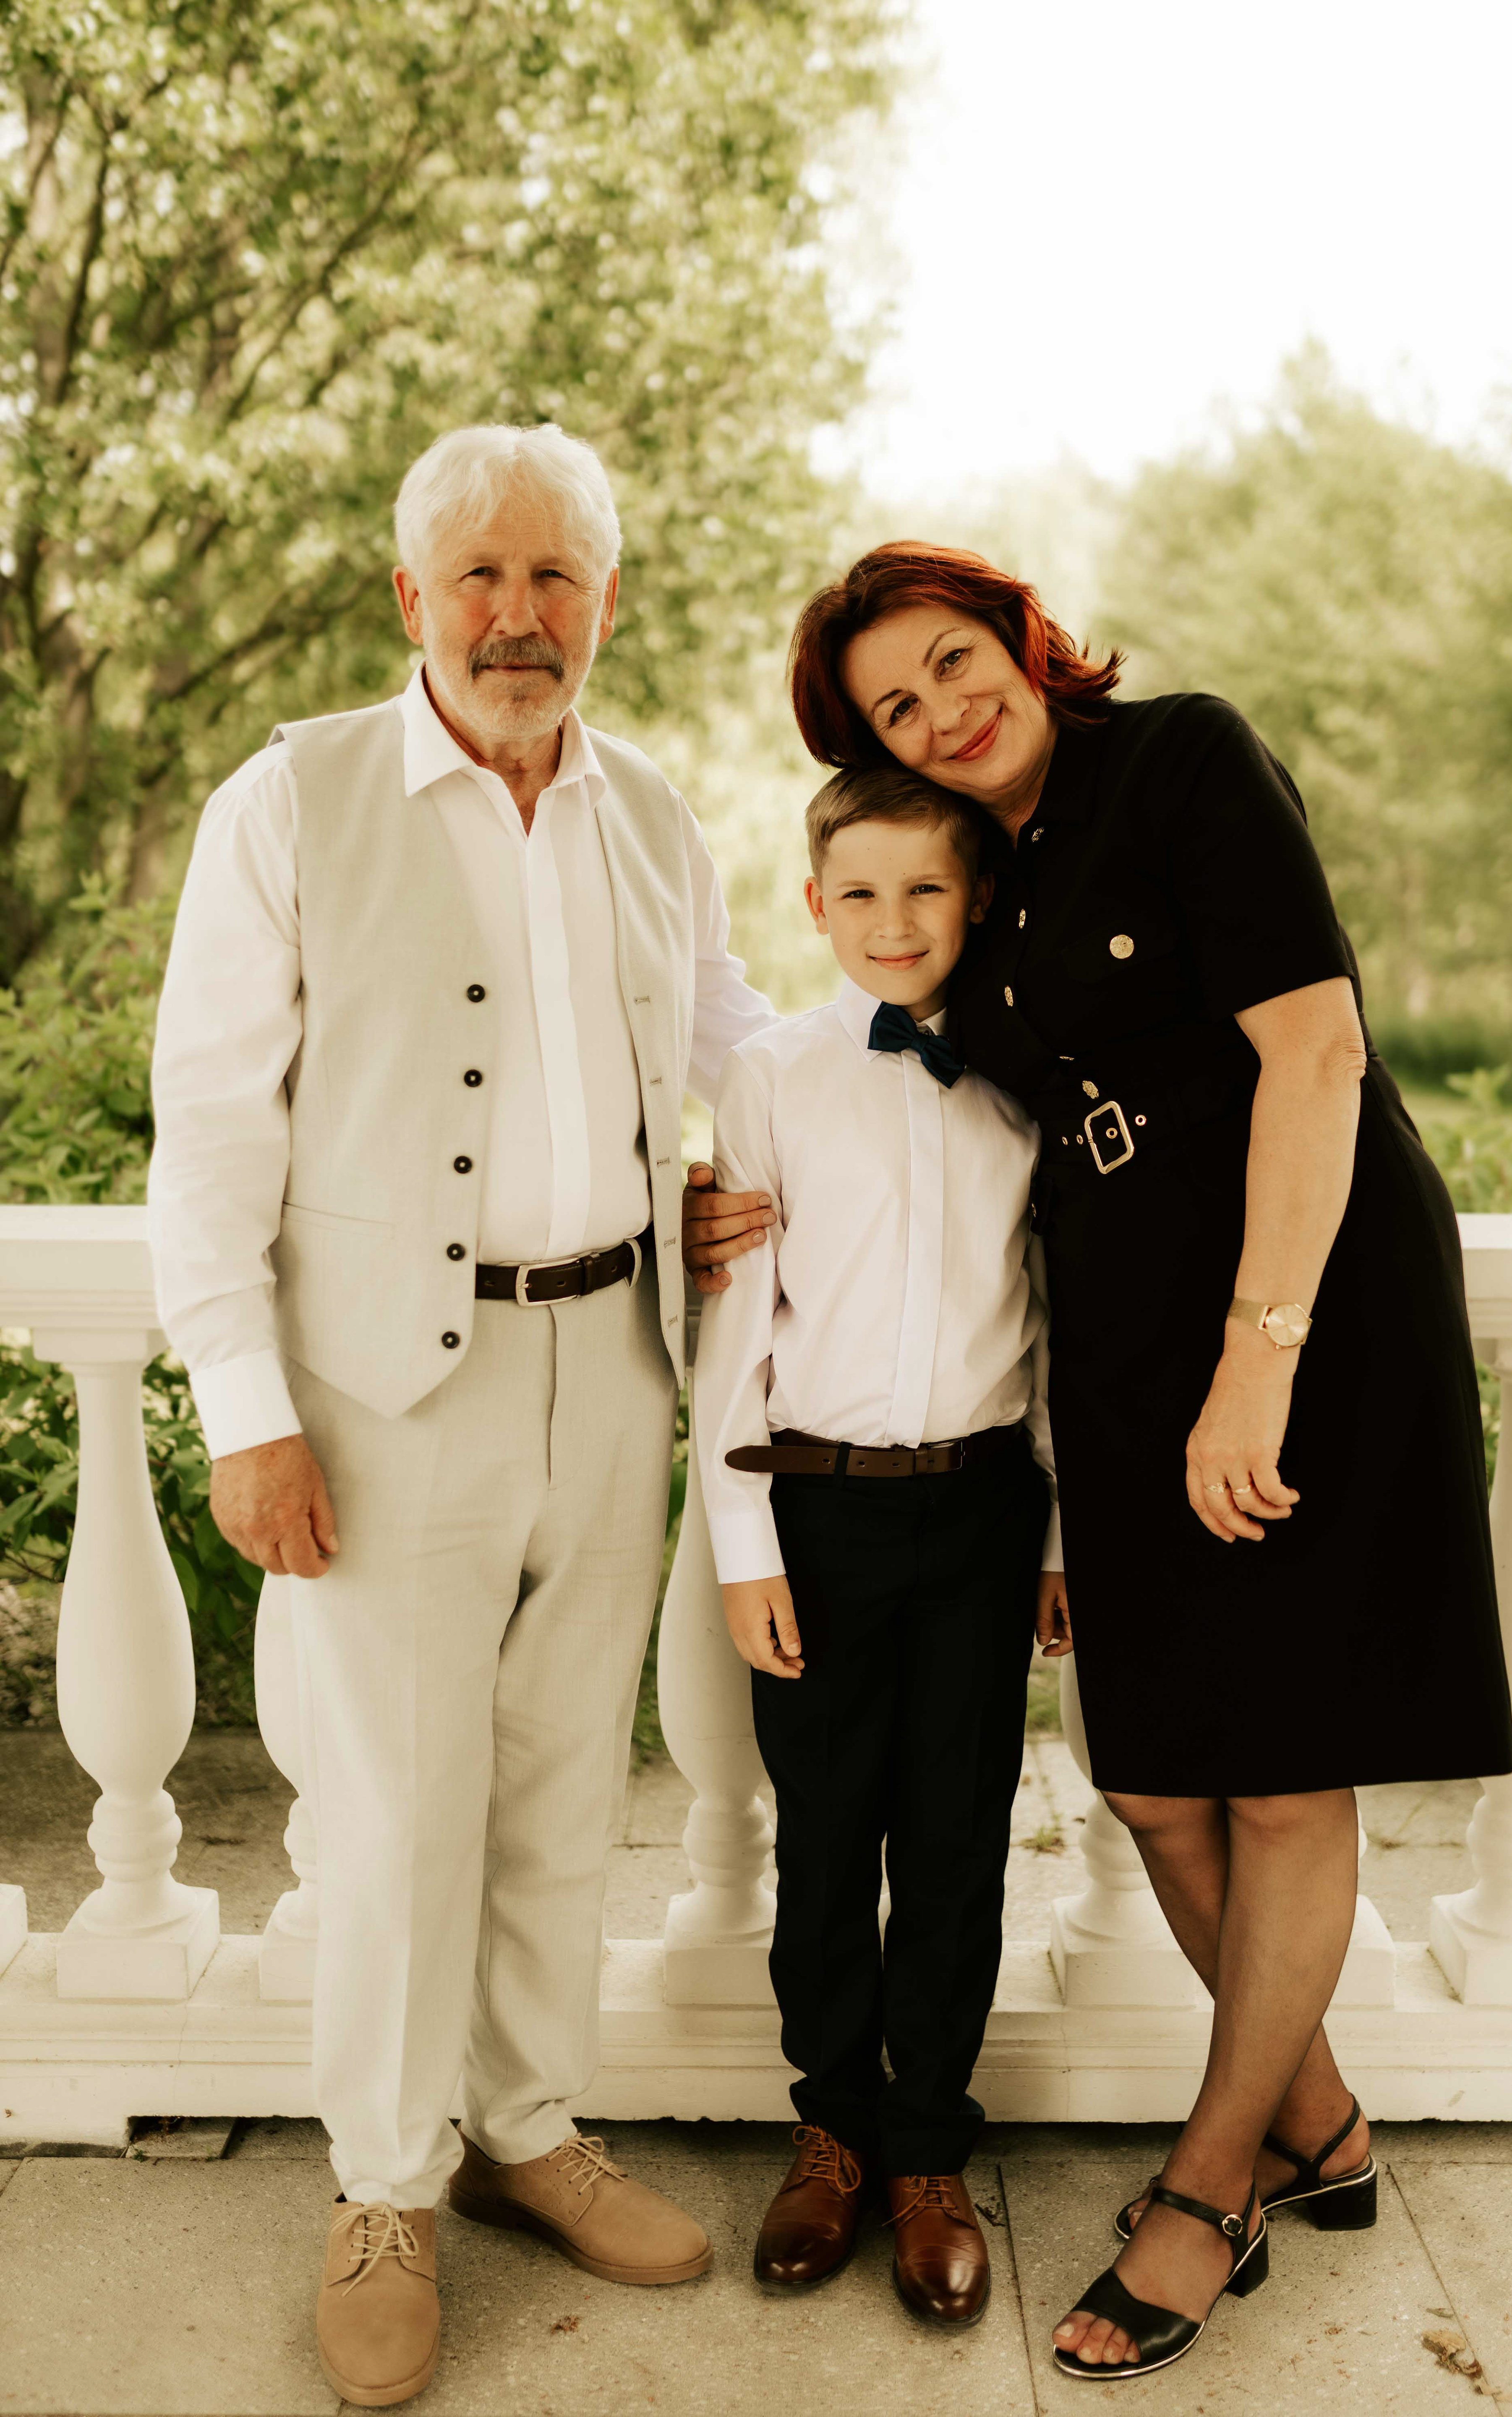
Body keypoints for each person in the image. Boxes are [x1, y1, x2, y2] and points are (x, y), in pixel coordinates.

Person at [689, 539, 1512, 2383]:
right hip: (1127, 1355)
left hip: (1301, 1311)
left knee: (1281, 1779)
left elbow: (1317, 1059)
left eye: (953, 659)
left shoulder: (1182, 760)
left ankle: (1213, 2189)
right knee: (1151, 1783)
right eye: (895, 705)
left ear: (1020, 635)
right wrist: (719, 1202)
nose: (942, 710)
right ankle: (1321, 2115)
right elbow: (867, 1090)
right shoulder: (975, 879)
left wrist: (1260, 1364)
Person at [148, 423, 780, 2408]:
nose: (520, 615)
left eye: (556, 575)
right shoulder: (290, 798)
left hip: (618, 1363)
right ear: (410, 596)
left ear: (608, 601)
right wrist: (244, 1408)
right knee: (398, 1806)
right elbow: (208, 1128)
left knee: (564, 1790)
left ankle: (524, 2128)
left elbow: (735, 1039)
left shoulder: (651, 809)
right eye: (482, 576)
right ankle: (385, 2186)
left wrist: (827, 1149)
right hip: (382, 1392)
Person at [692, 762, 1066, 2328]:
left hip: (983, 1509)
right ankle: (834, 2128)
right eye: (860, 892)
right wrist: (744, 1544)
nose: (893, 921)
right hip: (820, 1511)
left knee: (960, 1837)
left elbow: (1054, 1321)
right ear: (815, 904)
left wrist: (1061, 1534)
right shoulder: (773, 1075)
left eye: (927, 889)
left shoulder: (1030, 1073)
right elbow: (737, 1326)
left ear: (977, 901)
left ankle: (927, 2150)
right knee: (828, 1838)